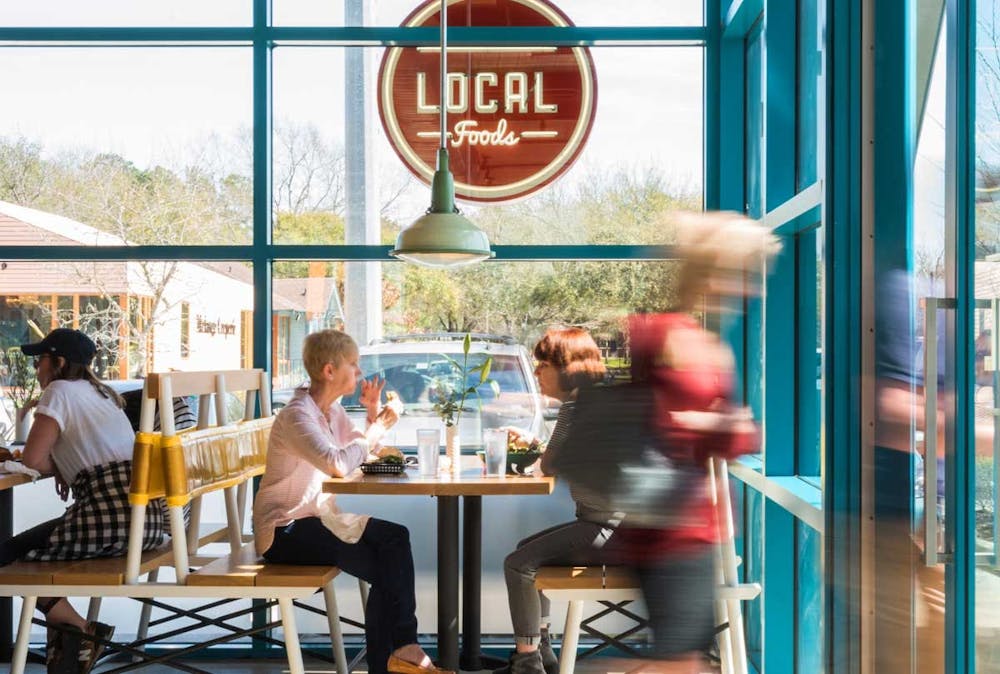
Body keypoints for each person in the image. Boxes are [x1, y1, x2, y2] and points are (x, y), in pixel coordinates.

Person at [612, 212, 777, 673]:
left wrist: (720, 426)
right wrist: (713, 424)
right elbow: (656, 419)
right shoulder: (661, 333)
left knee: (685, 661)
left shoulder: (710, 346)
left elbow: (737, 439)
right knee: (682, 664)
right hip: (667, 528)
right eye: (744, 273)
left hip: (697, 526)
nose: (751, 289)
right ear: (713, 271)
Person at [252, 329, 452, 674]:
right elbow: (340, 463)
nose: (359, 372)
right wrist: (379, 427)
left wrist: (373, 414)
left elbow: (362, 449)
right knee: (389, 563)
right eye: (353, 364)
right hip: (285, 530)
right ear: (330, 371)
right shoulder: (298, 416)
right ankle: (403, 652)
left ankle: (397, 655)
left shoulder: (328, 410)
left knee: (393, 544)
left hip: (317, 520)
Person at [0, 328, 170, 674]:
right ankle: (75, 644)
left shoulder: (58, 391)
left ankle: (82, 629)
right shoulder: (102, 393)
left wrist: (58, 464)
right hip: (145, 520)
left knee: (6, 558)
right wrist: (65, 466)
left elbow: (32, 461)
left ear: (58, 362)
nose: (37, 369)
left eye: (40, 360)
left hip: (109, 516)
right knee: (27, 556)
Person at [494, 327, 610, 674]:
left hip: (607, 529)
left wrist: (539, 449)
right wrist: (537, 441)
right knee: (528, 554)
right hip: (619, 526)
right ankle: (542, 654)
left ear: (566, 367)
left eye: (541, 364)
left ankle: (527, 663)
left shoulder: (576, 407)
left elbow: (548, 466)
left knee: (519, 564)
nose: (536, 373)